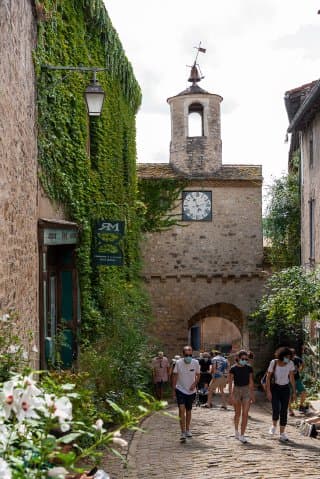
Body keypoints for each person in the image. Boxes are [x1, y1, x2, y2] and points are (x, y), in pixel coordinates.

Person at [266, 347, 296, 442]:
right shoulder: (274, 362)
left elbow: (291, 377)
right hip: (275, 388)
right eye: (286, 357)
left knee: (284, 410)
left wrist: (294, 391)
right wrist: (268, 391)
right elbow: (268, 376)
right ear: (281, 356)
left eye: (289, 357)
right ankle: (274, 426)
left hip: (285, 388)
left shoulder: (290, 363)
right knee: (276, 408)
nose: (288, 358)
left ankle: (282, 433)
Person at [172, 345, 200, 443]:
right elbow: (175, 376)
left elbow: (198, 375)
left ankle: (188, 429)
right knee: (181, 409)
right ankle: (182, 432)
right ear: (183, 354)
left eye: (190, 354)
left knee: (188, 411)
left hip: (191, 391)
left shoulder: (195, 362)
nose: (188, 356)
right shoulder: (178, 363)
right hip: (180, 389)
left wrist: (194, 384)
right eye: (186, 354)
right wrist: (173, 390)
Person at [228, 350, 255, 443]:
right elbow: (230, 382)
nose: (244, 361)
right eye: (243, 359)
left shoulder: (249, 368)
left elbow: (251, 381)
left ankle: (242, 435)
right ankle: (236, 431)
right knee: (238, 413)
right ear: (238, 358)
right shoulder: (233, 368)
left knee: (245, 413)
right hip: (236, 390)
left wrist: (252, 394)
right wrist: (230, 395)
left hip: (246, 390)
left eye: (246, 359)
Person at [289, 348, 307, 416]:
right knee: (289, 396)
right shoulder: (286, 360)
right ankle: (290, 410)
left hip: (297, 379)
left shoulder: (297, 358)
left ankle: (301, 406)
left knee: (303, 392)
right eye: (291, 356)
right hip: (288, 380)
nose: (293, 357)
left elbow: (303, 364)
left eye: (293, 355)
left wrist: (300, 370)